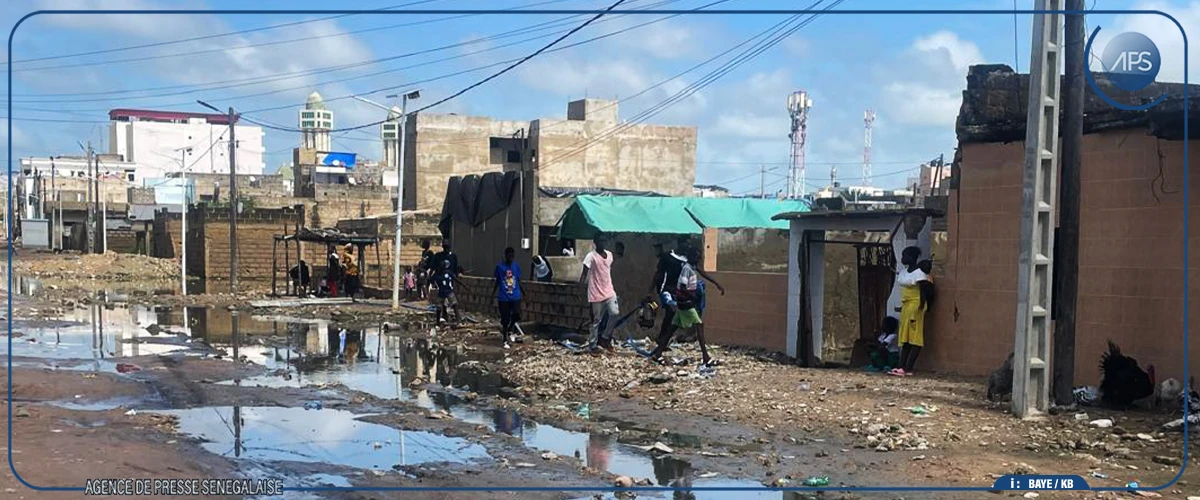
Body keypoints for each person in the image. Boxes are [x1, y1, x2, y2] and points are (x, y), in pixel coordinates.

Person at [647, 249, 715, 367]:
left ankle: (657, 353)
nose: (698, 260)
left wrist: (717, 284)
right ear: (691, 257)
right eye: (697, 258)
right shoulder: (687, 269)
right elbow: (682, 287)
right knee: (699, 325)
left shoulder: (690, 267)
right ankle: (706, 357)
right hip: (686, 303)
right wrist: (692, 296)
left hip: (683, 303)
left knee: (672, 328)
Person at [889, 247, 935, 377]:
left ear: (912, 257)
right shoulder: (903, 272)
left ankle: (908, 367)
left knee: (915, 337)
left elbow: (926, 291)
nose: (903, 258)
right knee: (905, 337)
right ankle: (901, 366)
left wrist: (923, 305)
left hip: (916, 306)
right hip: (906, 306)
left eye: (905, 255)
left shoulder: (919, 273)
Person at [648, 238, 690, 352]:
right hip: (664, 289)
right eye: (685, 243)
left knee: (672, 315)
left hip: (677, 291)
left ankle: (662, 339)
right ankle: (662, 339)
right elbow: (658, 273)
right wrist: (650, 290)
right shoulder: (667, 256)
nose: (687, 246)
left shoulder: (686, 259)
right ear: (679, 244)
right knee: (671, 311)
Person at [580, 235, 618, 352]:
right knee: (596, 320)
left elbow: (607, 270)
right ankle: (593, 344)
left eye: (604, 240)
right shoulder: (591, 256)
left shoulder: (610, 255)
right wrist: (580, 289)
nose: (603, 243)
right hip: (595, 292)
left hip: (609, 291)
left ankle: (605, 337)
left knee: (615, 313)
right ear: (595, 242)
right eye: (600, 241)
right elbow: (584, 273)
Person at [494, 247, 524, 349]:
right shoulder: (500, 267)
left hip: (515, 296)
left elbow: (518, 280)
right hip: (504, 297)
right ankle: (505, 339)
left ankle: (511, 328)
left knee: (517, 314)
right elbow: (497, 281)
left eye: (512, 256)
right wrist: (492, 294)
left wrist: (524, 293)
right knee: (505, 319)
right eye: (509, 255)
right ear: (505, 255)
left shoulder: (516, 266)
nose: (511, 257)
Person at [432, 260, 469, 324]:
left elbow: (456, 279)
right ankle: (438, 321)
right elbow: (431, 279)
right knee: (439, 307)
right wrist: (434, 284)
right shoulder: (437, 274)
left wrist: (464, 285)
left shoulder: (448, 273)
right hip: (441, 292)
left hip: (448, 291)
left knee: (454, 304)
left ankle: (458, 319)